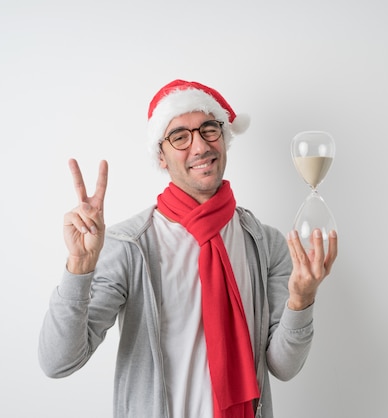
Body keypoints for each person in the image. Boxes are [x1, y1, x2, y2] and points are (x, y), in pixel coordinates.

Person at [38, 79, 338, 418]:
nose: (199, 147)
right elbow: (58, 362)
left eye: (209, 130)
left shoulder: (265, 243)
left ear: (224, 139)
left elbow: (283, 367)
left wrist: (301, 300)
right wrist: (79, 266)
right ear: (161, 157)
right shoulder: (130, 247)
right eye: (180, 137)